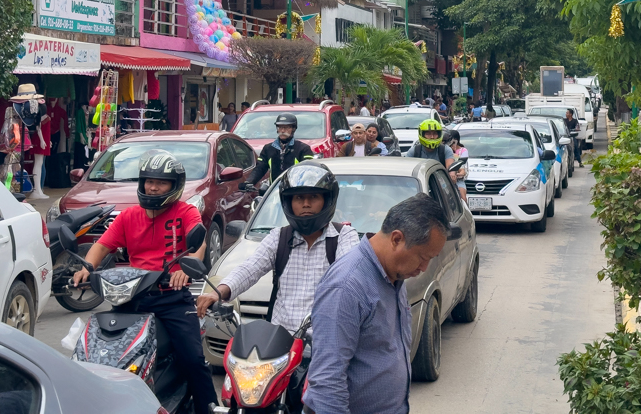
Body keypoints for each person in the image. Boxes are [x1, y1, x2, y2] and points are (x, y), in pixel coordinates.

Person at [72, 151, 216, 414]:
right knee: (105, 356)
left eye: (161, 182)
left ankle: (209, 407)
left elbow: (199, 244)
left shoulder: (185, 211)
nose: (153, 186)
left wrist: (186, 267)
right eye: (149, 180)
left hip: (173, 298)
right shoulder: (128, 216)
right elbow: (102, 246)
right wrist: (86, 267)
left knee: (193, 359)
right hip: (132, 298)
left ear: (175, 186)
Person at [303, 193, 450, 414]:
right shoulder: (346, 286)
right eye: (423, 257)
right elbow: (327, 381)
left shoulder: (394, 275)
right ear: (397, 239)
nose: (424, 268)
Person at [196, 163, 359, 333]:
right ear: (288, 202)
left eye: (314, 197)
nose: (306, 204)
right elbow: (250, 268)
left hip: (326, 340)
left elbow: (347, 277)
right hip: (281, 342)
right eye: (298, 198)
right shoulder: (279, 237)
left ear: (327, 200)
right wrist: (218, 292)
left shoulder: (344, 237)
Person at [247, 113, 315, 186]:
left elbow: (308, 171)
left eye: (286, 128)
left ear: (293, 129)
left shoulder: (303, 149)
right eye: (280, 127)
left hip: (295, 191)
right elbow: (260, 168)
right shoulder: (268, 148)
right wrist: (249, 182)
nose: (282, 131)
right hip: (274, 191)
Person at [443, 129, 468, 201]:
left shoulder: (456, 156)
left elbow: (462, 171)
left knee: (462, 198)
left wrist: (455, 174)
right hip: (440, 181)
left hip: (456, 181)